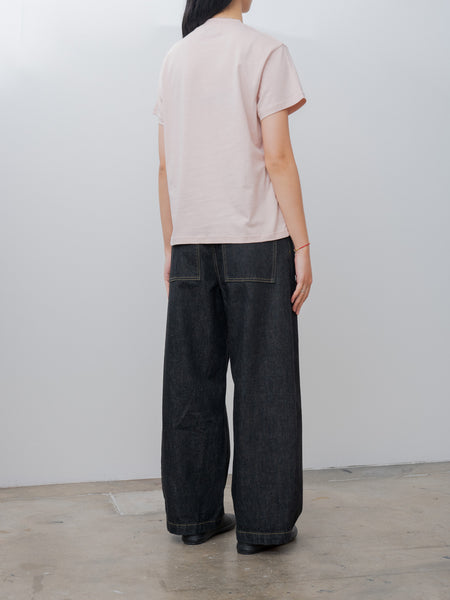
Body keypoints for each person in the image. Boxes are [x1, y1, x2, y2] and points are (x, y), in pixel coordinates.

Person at [153, 0, 313, 555]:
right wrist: (302, 245)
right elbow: (278, 157)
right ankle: (263, 527)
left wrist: (171, 243)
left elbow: (165, 166)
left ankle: (194, 518)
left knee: (190, 385)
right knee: (265, 385)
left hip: (191, 243)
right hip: (258, 242)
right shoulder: (264, 51)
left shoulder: (175, 58)